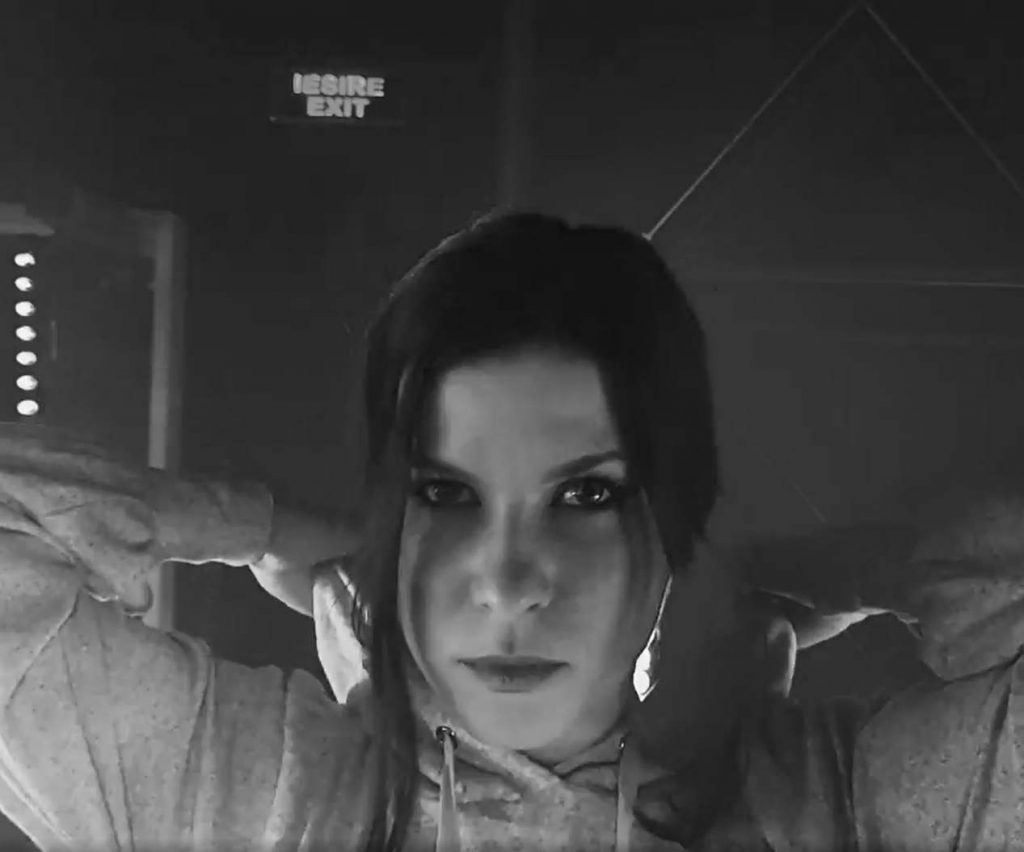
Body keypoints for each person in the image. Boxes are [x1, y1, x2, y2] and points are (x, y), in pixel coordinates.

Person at [0, 212, 1021, 852]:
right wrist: (265, 521)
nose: (507, 579)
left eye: (585, 497)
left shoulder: (840, 805)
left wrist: (859, 567)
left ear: (670, 524)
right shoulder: (254, 793)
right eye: (446, 494)